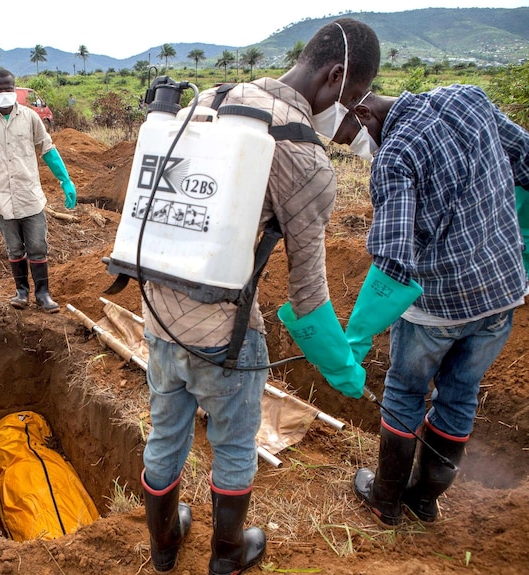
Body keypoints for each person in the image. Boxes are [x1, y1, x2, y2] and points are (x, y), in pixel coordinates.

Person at [137, 18, 381, 575]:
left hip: (158, 317)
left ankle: (164, 548)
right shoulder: (305, 158)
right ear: (335, 76)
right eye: (355, 97)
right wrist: (342, 367)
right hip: (225, 340)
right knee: (234, 447)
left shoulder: (213, 101)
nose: (353, 111)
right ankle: (227, 556)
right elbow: (310, 296)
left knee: (165, 432)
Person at [330, 86, 529, 527]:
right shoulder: (468, 99)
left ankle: (385, 501)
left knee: (404, 391)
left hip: (435, 307)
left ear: (362, 112)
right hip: (502, 294)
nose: (348, 148)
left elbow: (394, 262)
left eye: (345, 137)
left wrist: (354, 340)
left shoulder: (395, 155)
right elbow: (526, 161)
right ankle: (424, 500)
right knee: (460, 393)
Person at [0, 68, 76, 313]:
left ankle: (43, 294)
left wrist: (65, 180)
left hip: (29, 195)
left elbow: (47, 149)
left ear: (14, 89)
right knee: (15, 248)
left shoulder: (30, 117)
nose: (4, 93)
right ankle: (22, 292)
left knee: (38, 245)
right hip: (2, 197)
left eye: (8, 89)